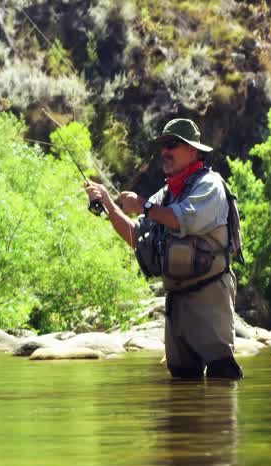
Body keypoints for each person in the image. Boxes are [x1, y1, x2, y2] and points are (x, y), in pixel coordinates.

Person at [84, 118, 243, 380]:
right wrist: (109, 206)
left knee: (222, 374)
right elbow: (137, 236)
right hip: (176, 302)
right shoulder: (165, 195)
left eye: (172, 145)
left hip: (210, 297)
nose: (165, 152)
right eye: (163, 146)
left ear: (193, 151)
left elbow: (183, 219)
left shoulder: (210, 185)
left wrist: (143, 205)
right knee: (182, 377)